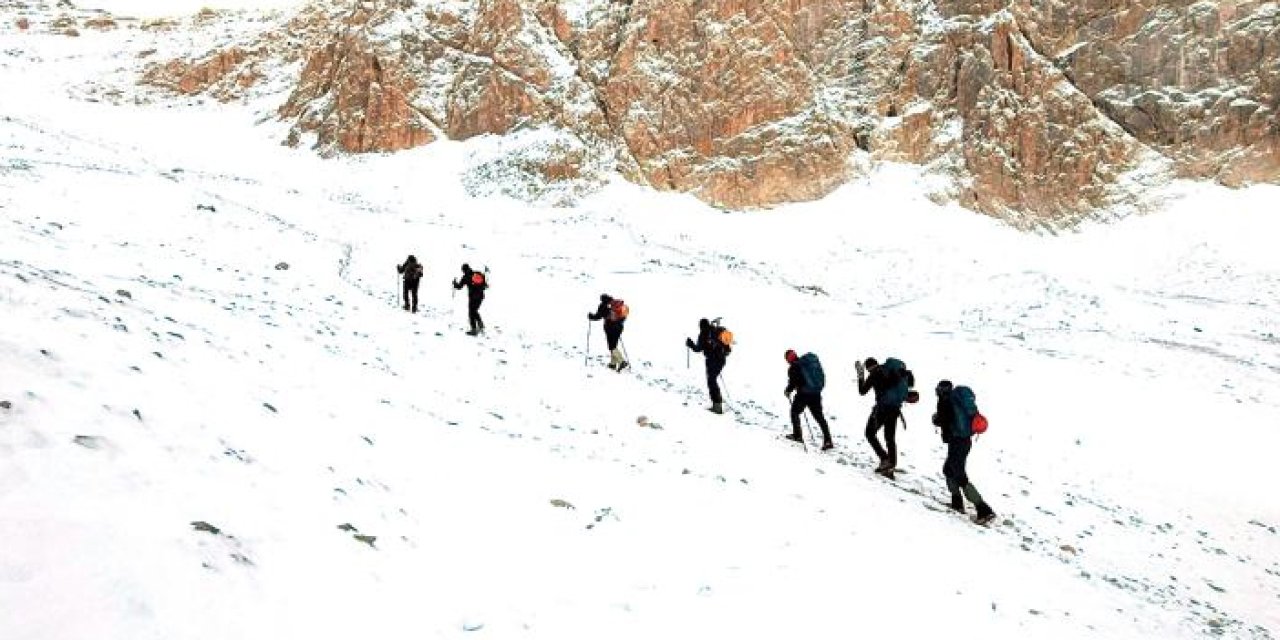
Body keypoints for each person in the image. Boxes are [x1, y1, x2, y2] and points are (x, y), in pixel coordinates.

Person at [932, 380, 997, 525]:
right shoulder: (957, 399)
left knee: (959, 475)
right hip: (965, 440)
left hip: (957, 441)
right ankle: (957, 503)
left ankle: (984, 510)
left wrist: (936, 419)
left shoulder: (945, 402)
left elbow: (944, 420)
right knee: (949, 469)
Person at [856, 357, 913, 478]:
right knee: (890, 438)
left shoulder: (874, 374)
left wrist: (860, 376)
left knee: (869, 433)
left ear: (868, 368)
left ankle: (884, 458)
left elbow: (862, 391)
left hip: (882, 409)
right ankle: (890, 465)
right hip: (895, 409)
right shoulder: (891, 371)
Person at [784, 350, 832, 450]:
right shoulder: (806, 363)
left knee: (794, 412)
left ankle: (797, 435)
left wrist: (788, 391)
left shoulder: (794, 367)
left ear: (789, 359)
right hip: (816, 393)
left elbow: (794, 382)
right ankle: (828, 440)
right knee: (819, 417)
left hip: (804, 394)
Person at [685, 318, 728, 414]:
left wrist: (690, 344)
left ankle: (717, 406)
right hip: (721, 359)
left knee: (711, 381)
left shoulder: (704, 334)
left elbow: (698, 349)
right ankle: (718, 401)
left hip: (712, 360)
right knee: (713, 380)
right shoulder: (715, 330)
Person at [588, 294, 628, 371]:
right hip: (619, 327)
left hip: (610, 328)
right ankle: (613, 364)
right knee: (614, 345)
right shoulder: (615, 304)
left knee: (611, 346)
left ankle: (622, 361)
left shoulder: (603, 305)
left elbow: (598, 316)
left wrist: (591, 316)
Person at [452, 263, 487, 335]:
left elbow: (459, 287)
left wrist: (454, 283)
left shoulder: (465, 277)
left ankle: (474, 329)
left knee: (471, 312)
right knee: (475, 310)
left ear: (463, 270)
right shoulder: (477, 273)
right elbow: (484, 284)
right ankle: (480, 324)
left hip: (473, 297)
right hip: (481, 296)